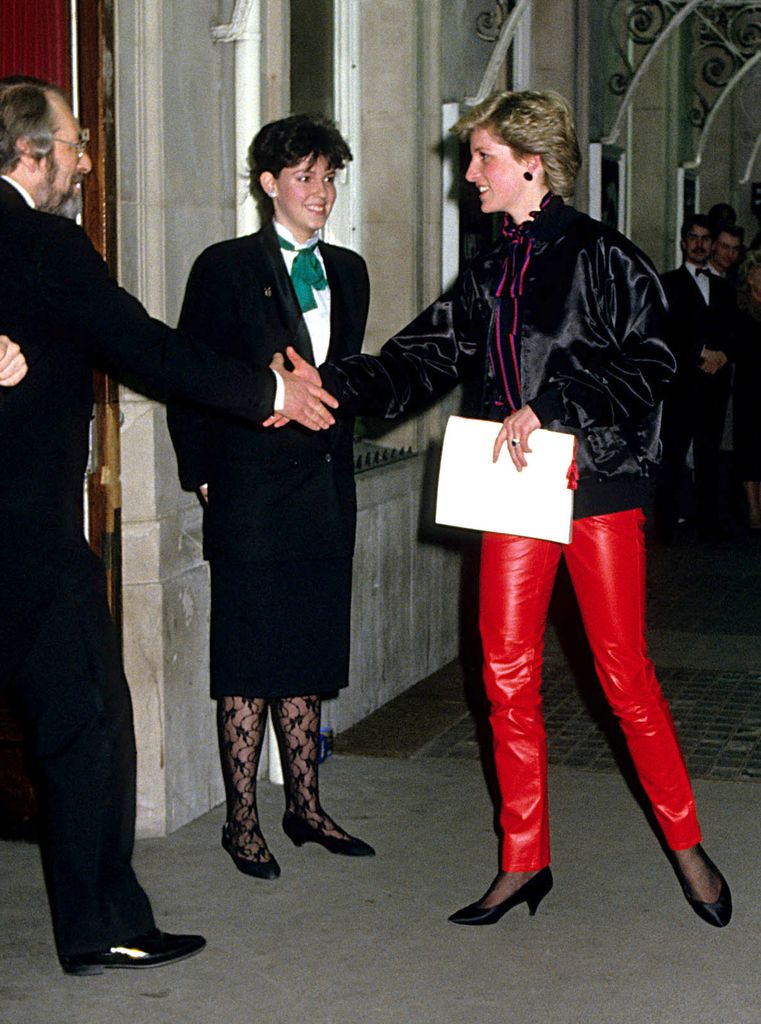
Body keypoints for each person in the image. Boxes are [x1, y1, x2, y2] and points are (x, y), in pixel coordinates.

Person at [285, 89, 731, 928]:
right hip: (511, 487)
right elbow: (419, 358)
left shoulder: (604, 256)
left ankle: (687, 846)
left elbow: (656, 357)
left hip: (595, 484)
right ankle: (523, 860)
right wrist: (333, 382)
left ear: (532, 162)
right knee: (504, 675)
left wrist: (556, 400)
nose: (470, 174)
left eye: (482, 157)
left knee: (623, 676)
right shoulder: (491, 269)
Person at [0, 77, 338, 975]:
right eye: (71, 143)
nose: (82, 157)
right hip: (26, 536)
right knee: (92, 726)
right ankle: (101, 922)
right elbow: (146, 345)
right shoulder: (44, 241)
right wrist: (273, 390)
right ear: (31, 156)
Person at [167, 114, 374, 882]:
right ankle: (242, 819)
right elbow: (187, 375)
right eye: (304, 178)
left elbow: (345, 377)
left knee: (309, 649)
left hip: (322, 488)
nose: (320, 193)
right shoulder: (223, 267)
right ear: (268, 184)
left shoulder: (348, 270)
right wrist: (203, 475)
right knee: (250, 657)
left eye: (329, 178)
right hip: (250, 488)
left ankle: (306, 807)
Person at [658, 216, 739, 540]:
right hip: (682, 383)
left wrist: (723, 355)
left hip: (715, 383)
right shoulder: (668, 283)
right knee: (674, 452)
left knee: (709, 454)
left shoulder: (723, 287)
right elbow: (665, 331)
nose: (700, 244)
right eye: (693, 237)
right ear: (682, 242)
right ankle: (665, 523)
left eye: (706, 238)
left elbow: (735, 329)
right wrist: (699, 354)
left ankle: (708, 521)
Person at [733, 257, 761, 530]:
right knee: (750, 449)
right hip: (750, 387)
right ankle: (753, 511)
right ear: (750, 276)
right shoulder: (741, 307)